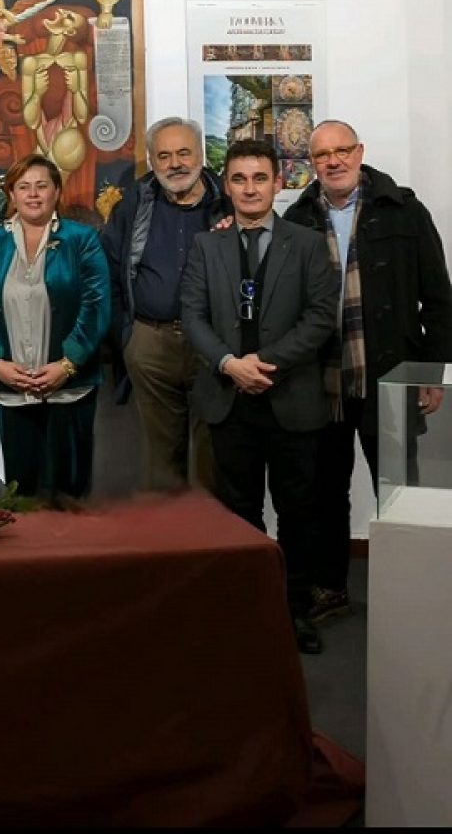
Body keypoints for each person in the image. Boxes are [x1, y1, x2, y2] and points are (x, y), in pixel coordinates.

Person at [282, 120, 452, 623]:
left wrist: (430, 373)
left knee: (399, 490)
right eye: (322, 155)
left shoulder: (404, 209)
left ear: (359, 152)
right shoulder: (297, 218)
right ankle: (331, 588)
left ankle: (410, 594)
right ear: (311, 163)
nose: (333, 161)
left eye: (342, 150)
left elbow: (438, 299)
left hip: (391, 377)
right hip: (323, 383)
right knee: (325, 494)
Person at [180, 139, 339, 654]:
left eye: (260, 178)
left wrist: (264, 364)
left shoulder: (308, 243)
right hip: (229, 400)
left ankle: (294, 611)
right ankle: (247, 608)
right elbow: (192, 317)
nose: (250, 188)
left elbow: (320, 316)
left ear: (278, 183)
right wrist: (230, 364)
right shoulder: (206, 246)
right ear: (227, 186)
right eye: (239, 179)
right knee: (239, 510)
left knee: (298, 513)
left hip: (291, 397)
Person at [0, 154, 111, 500]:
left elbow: (96, 305)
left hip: (69, 386)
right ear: (11, 194)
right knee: (20, 490)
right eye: (23, 187)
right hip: (11, 385)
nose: (32, 194)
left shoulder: (82, 239)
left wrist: (68, 364)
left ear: (56, 192)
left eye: (41, 186)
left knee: (68, 491)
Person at [101, 117, 228, 492]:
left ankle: (208, 528)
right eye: (164, 156)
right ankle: (168, 528)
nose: (175, 164)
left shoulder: (227, 202)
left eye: (184, 153)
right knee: (160, 461)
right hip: (151, 344)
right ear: (151, 161)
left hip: (214, 345)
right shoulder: (135, 203)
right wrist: (127, 337)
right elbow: (109, 270)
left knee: (213, 456)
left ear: (201, 155)